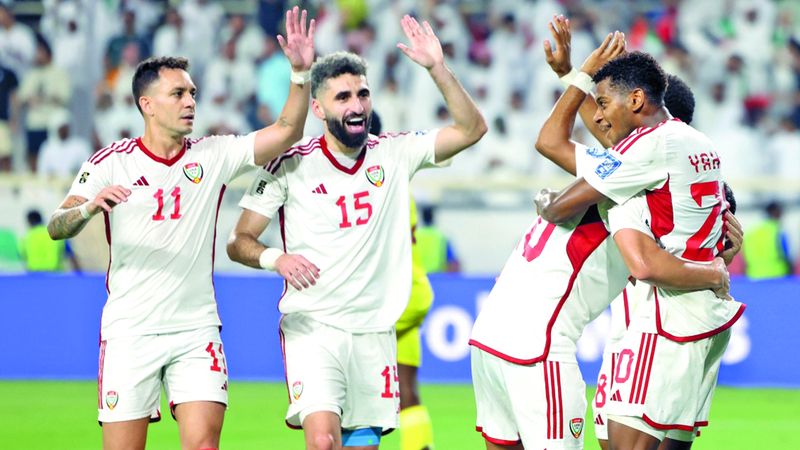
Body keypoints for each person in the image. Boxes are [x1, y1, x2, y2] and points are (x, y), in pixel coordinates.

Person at [46, 7, 315, 450]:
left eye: (192, 93)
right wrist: (90, 207)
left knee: (203, 446)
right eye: (178, 94)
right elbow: (58, 225)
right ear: (146, 105)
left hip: (196, 329)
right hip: (130, 330)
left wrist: (300, 74)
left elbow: (287, 129)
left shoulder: (212, 154)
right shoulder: (111, 161)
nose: (191, 101)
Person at [469, 19, 738, 450]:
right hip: (609, 329)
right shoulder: (658, 163)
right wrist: (571, 76)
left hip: (535, 337)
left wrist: (715, 270)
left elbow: (561, 176)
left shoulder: (638, 168)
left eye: (605, 104)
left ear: (638, 105)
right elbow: (601, 145)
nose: (598, 118)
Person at [226, 15, 486, 450]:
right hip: (315, 328)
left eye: (363, 94)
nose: (356, 105)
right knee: (324, 442)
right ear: (319, 107)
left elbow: (471, 130)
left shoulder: (396, 153)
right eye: (343, 96)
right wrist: (277, 259)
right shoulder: (290, 163)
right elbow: (239, 242)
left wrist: (437, 68)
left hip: (374, 333)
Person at [742, 200, 791, 279]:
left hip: (754, 277)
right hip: (777, 277)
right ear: (776, 213)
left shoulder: (750, 233)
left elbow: (743, 259)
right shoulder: (778, 231)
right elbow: (787, 256)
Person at [416, 204, 460, 273]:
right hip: (437, 279)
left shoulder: (414, 236)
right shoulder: (442, 237)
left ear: (422, 218)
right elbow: (453, 263)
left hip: (418, 279)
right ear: (433, 218)